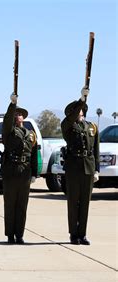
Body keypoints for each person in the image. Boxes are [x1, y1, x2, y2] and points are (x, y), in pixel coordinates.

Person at [61, 87, 99, 245]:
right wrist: (81, 99)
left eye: (82, 109)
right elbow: (68, 121)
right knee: (73, 202)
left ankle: (82, 234)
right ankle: (73, 234)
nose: (80, 112)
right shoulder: (68, 127)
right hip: (74, 168)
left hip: (88, 168)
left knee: (85, 203)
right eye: (77, 110)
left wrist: (97, 169)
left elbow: (96, 149)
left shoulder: (92, 127)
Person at [0, 93, 38, 244]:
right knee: (10, 204)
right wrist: (12, 105)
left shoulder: (31, 135)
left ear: (24, 118)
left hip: (25, 172)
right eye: (16, 114)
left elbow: (34, 155)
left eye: (20, 114)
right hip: (10, 171)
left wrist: (34, 173)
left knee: (22, 205)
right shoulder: (9, 131)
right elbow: (7, 121)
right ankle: (10, 234)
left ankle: (20, 234)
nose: (18, 116)